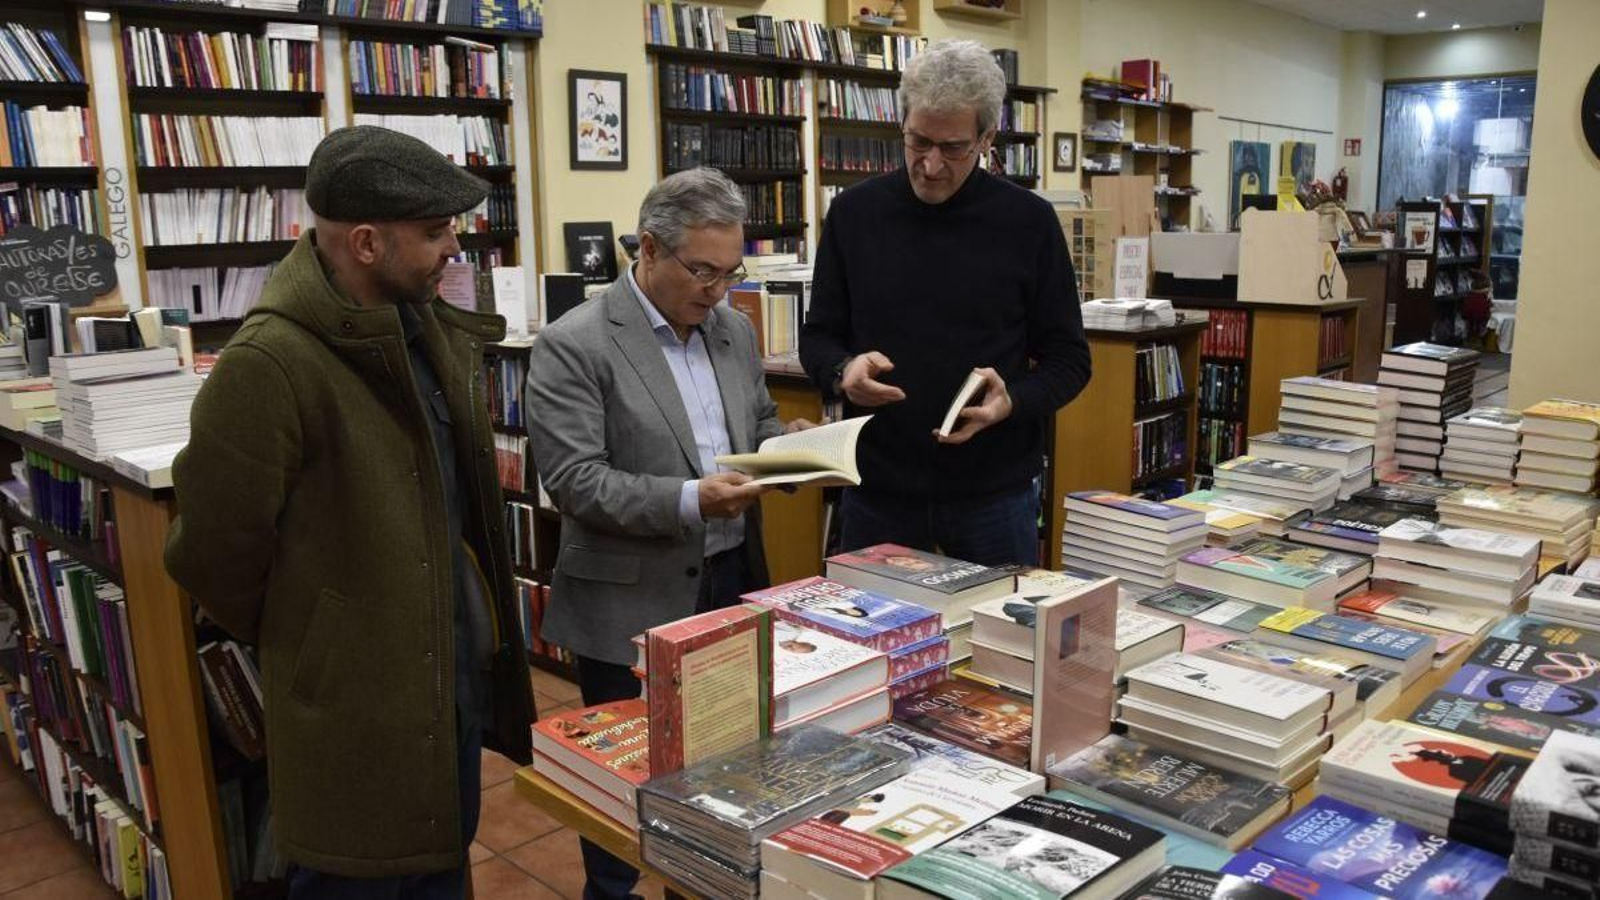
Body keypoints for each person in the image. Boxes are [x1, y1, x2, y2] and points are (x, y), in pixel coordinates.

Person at [165, 125, 535, 899]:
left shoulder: (423, 329)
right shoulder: (269, 364)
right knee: (356, 876)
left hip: (445, 688)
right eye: (433, 232)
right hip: (352, 719)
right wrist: (325, 637)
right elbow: (211, 556)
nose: (453, 249)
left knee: (441, 864)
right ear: (366, 243)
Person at [525, 166, 814, 900]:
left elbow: (756, 425)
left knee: (725, 784)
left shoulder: (733, 330)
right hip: (630, 600)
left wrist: (792, 448)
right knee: (625, 805)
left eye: (730, 272)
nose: (717, 291)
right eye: (702, 271)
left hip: (731, 580)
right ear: (648, 249)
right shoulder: (575, 342)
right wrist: (691, 499)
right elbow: (576, 480)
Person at [798, 39, 1091, 568]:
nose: (930, 165)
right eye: (918, 142)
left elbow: (1070, 360)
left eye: (953, 148)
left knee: (1000, 624)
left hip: (994, 497)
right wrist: (843, 372)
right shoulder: (855, 215)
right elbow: (818, 338)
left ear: (987, 138)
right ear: (902, 124)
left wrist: (1012, 401)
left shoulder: (1028, 223)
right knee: (865, 622)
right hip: (878, 491)